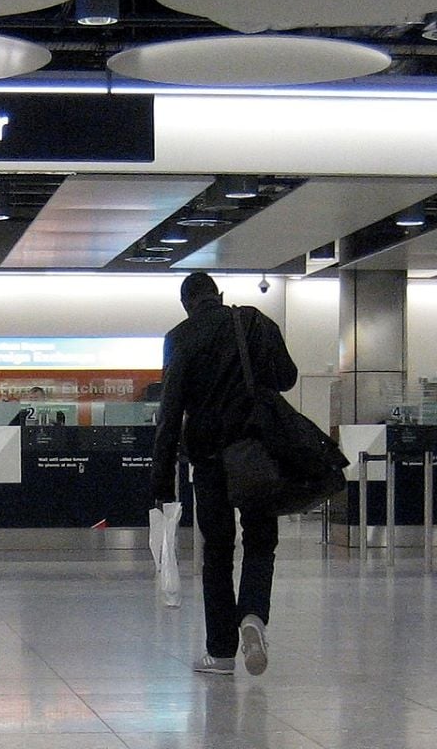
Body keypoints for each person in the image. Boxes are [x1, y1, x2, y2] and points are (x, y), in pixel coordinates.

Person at [151, 272, 297, 677]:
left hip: (210, 460)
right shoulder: (256, 322)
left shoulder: (179, 337)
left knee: (216, 554)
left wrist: (161, 481)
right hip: (256, 453)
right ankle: (253, 616)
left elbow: (170, 412)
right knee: (260, 542)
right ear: (219, 294)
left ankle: (220, 652)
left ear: (186, 304)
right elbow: (288, 377)